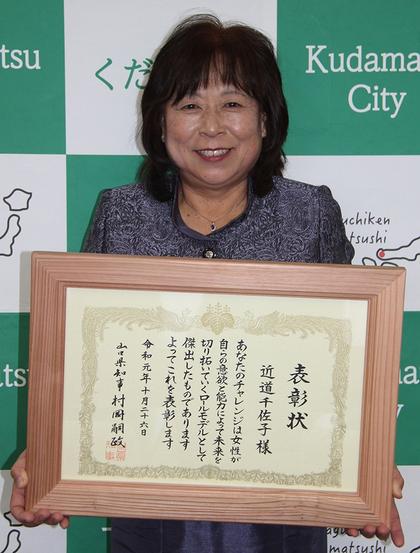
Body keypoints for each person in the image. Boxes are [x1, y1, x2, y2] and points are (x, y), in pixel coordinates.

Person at [10, 14, 404, 553]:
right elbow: (85, 363)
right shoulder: (120, 214)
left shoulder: (310, 215)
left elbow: (352, 362)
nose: (212, 127)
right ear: (160, 123)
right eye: (190, 105)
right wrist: (48, 452)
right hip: (152, 513)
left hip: (281, 513)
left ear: (265, 121)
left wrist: (367, 466)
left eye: (233, 103)